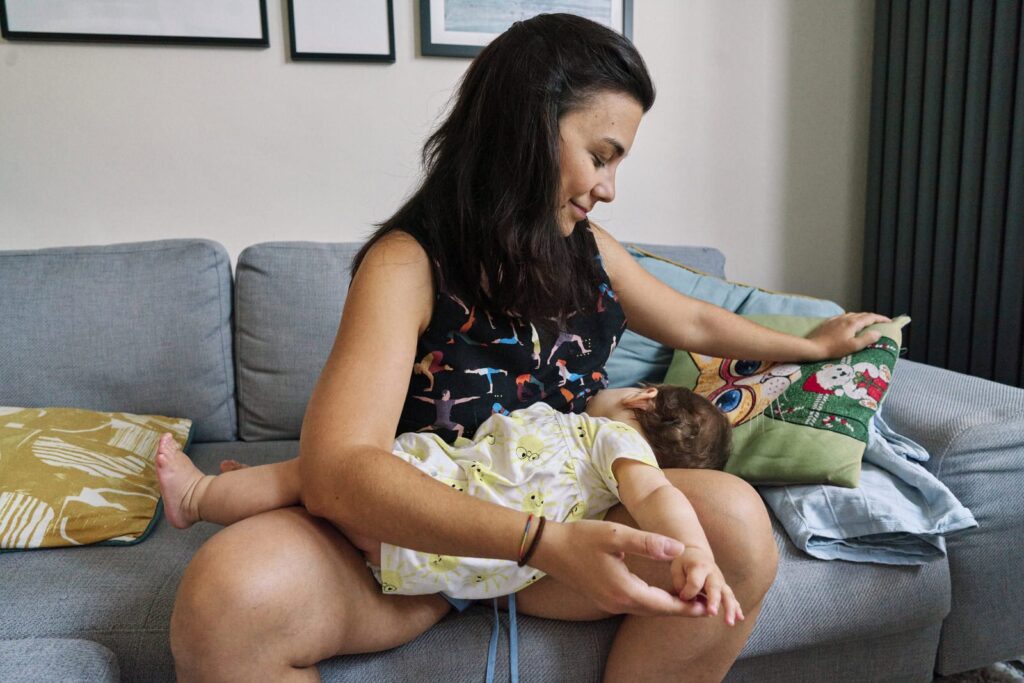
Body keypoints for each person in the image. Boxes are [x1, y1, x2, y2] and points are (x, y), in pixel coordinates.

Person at [170, 13, 889, 681]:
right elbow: (336, 471)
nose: (609, 188)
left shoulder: (591, 249)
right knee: (225, 601)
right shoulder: (407, 264)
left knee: (733, 522)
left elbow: (697, 325)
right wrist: (539, 542)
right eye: (600, 155)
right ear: (528, 129)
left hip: (566, 525)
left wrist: (809, 340)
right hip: (408, 548)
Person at [156, 384, 737, 619]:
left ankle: (200, 495)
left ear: (642, 397)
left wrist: (696, 551)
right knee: (311, 495)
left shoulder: (612, 437)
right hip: (457, 564)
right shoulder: (596, 480)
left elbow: (660, 494)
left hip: (430, 506)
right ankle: (257, 490)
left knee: (319, 474)